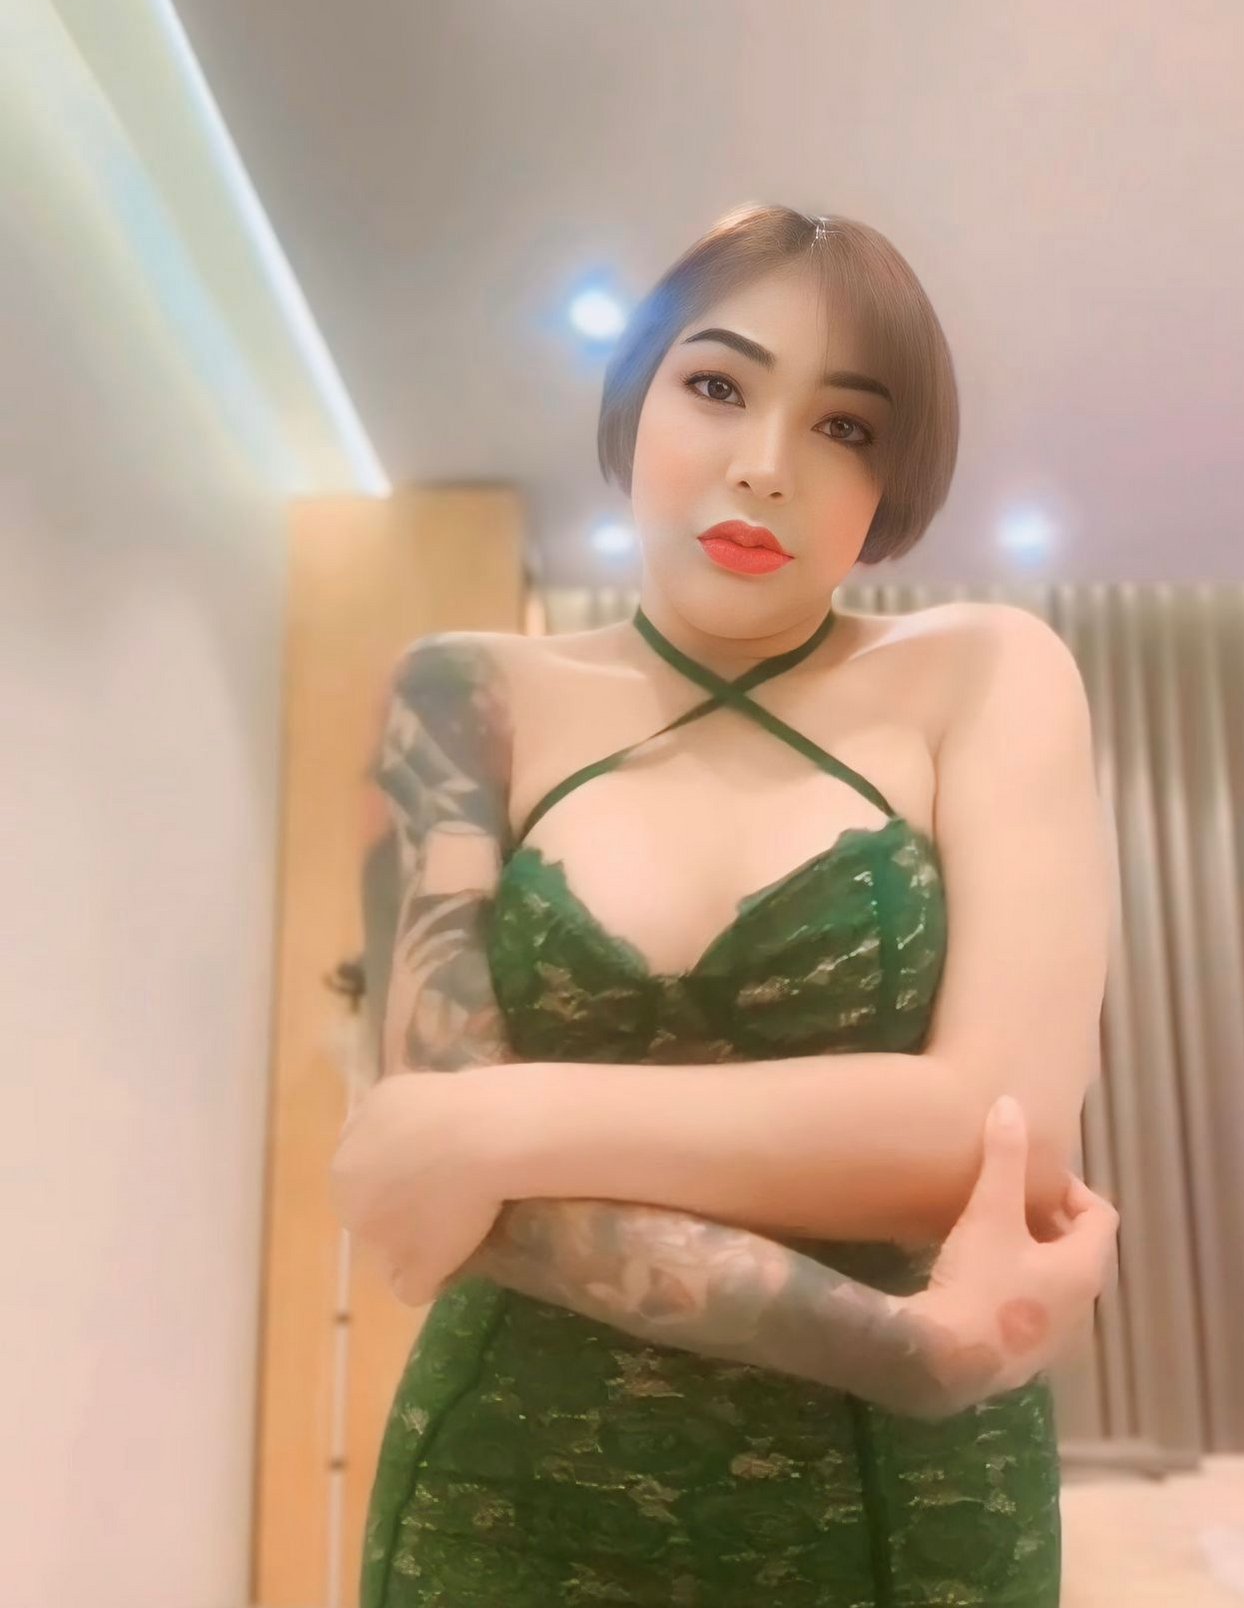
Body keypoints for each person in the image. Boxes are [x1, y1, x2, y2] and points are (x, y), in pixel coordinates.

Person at [332, 204, 1120, 1606]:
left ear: (891, 480)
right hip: (507, 1498)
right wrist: (914, 1350)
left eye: (845, 426)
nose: (766, 464)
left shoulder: (988, 672)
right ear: (635, 400)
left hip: (907, 1512)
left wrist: (496, 1123)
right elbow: (419, 1189)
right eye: (716, 386)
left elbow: (997, 1135)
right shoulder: (464, 697)